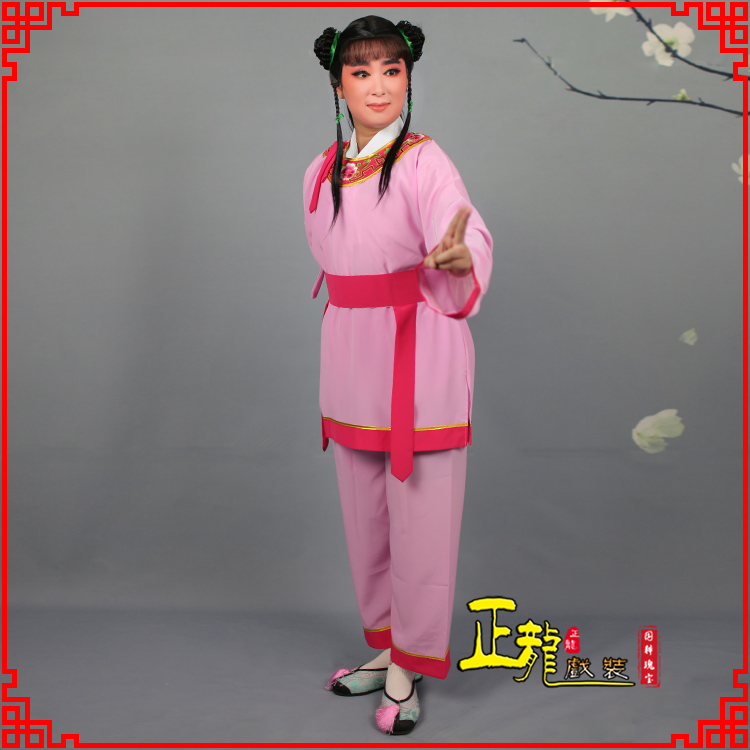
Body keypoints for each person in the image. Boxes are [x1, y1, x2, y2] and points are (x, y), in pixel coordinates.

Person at [303, 15, 493, 736]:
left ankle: (409, 667)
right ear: (338, 84)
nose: (379, 86)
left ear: (409, 78)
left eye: (392, 70)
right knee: (367, 518)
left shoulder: (425, 161)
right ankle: (385, 645)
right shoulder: (320, 170)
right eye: (362, 72)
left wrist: (461, 256)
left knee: (421, 520)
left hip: (419, 357)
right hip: (352, 357)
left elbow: (462, 225)